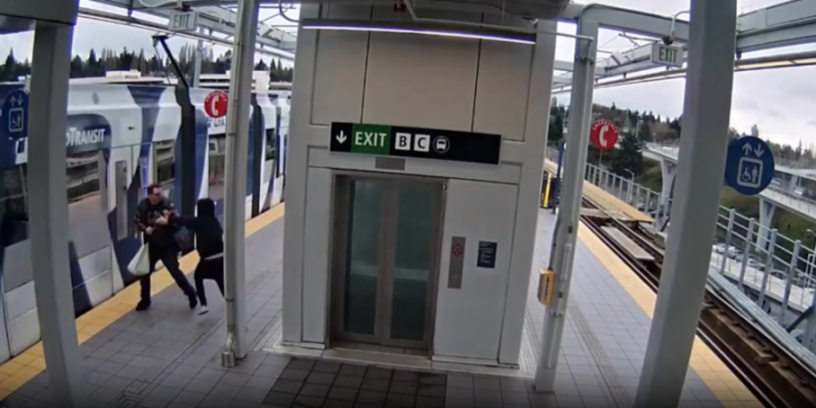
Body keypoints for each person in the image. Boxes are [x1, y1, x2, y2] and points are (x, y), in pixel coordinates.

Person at [134, 184, 197, 311]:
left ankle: (191, 293)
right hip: (151, 246)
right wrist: (145, 229)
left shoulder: (167, 204)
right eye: (156, 194)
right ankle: (145, 299)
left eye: (160, 193)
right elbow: (136, 220)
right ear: (149, 195)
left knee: (175, 272)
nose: (159, 196)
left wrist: (167, 222)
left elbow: (175, 220)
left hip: (167, 246)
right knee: (144, 273)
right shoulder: (143, 205)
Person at [157, 198, 224, 315]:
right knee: (220, 280)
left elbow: (184, 221)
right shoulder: (215, 221)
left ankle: (203, 304)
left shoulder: (199, 221)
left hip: (207, 259)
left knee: (198, 277)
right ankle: (230, 301)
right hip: (221, 258)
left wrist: (170, 218)